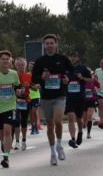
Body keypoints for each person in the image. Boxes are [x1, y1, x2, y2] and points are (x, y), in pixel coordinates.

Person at [31, 34, 74, 166]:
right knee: (50, 125)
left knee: (58, 121)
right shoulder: (40, 61)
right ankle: (52, 152)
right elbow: (34, 79)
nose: (49, 45)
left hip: (60, 95)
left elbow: (71, 72)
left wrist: (68, 78)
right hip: (46, 97)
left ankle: (59, 145)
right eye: (47, 43)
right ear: (44, 46)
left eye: (51, 43)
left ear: (56, 45)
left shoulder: (62, 59)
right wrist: (41, 79)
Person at [64, 51, 92, 149]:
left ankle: (80, 132)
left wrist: (82, 78)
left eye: (74, 57)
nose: (72, 59)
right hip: (69, 97)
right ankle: (72, 138)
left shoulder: (83, 68)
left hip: (80, 97)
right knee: (71, 117)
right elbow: (61, 81)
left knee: (79, 118)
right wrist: (64, 81)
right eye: (71, 57)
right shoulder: (65, 69)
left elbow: (90, 79)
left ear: (78, 58)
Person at [15, 57, 33, 150]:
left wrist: (29, 86)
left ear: (25, 66)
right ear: (15, 66)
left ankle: (24, 141)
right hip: (15, 101)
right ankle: (17, 141)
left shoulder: (29, 76)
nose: (20, 67)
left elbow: (34, 87)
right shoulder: (13, 75)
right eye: (18, 65)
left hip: (26, 100)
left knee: (24, 122)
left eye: (22, 65)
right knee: (16, 121)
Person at [83, 73, 99, 138]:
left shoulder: (94, 81)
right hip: (83, 101)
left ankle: (88, 133)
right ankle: (84, 125)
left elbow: (99, 87)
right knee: (84, 118)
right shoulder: (82, 81)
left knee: (89, 116)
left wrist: (95, 91)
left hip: (91, 100)